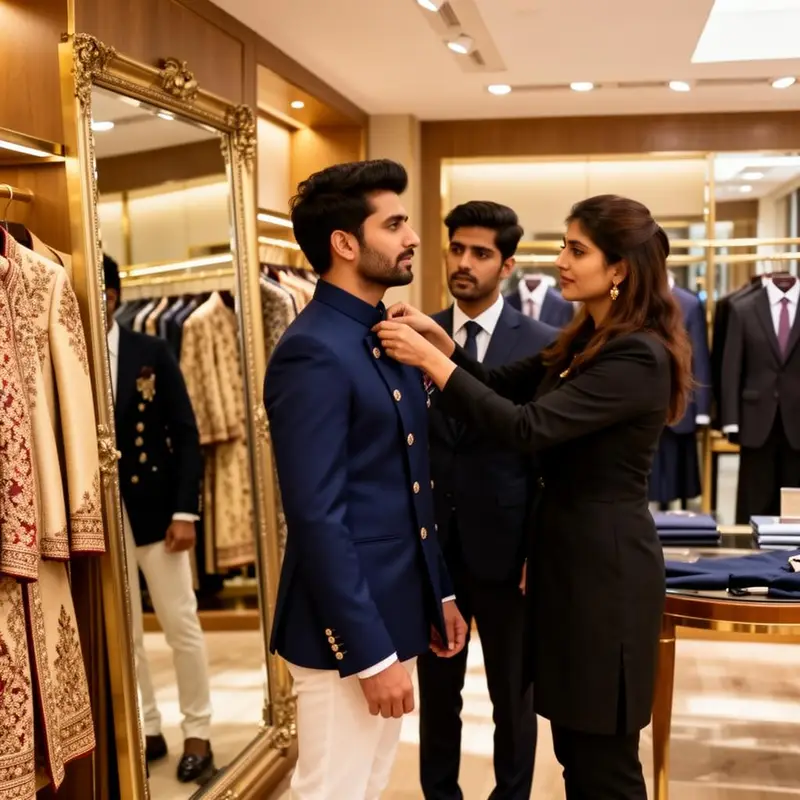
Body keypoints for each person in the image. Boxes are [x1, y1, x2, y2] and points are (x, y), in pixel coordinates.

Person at [375, 195, 693, 799]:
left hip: (606, 575)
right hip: (569, 567)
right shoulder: (587, 337)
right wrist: (440, 342)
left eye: (577, 250)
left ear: (619, 268)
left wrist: (427, 361)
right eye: (564, 246)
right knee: (575, 747)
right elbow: (494, 382)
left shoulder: (637, 355)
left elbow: (526, 427)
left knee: (604, 759)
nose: (561, 261)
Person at [264, 159, 468, 800]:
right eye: (396, 223)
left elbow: (413, 486)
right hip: (345, 628)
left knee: (369, 784)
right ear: (345, 243)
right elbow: (317, 515)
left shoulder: (385, 335)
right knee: (330, 791)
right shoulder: (313, 348)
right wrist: (369, 653)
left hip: (396, 607)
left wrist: (437, 593)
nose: (411, 237)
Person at [419, 201, 555, 800]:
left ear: (507, 265)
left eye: (481, 253)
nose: (465, 263)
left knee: (512, 699)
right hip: (434, 550)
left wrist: (537, 549)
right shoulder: (413, 334)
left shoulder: (545, 344)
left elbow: (547, 460)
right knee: (437, 698)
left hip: (508, 550)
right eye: (457, 249)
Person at [103, 254, 216, 785]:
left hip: (157, 509)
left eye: (98, 292)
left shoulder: (151, 349)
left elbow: (187, 433)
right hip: (99, 516)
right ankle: (147, 727)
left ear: (114, 296)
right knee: (122, 630)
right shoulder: (65, 352)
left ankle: (199, 732)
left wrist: (185, 510)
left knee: (181, 626)